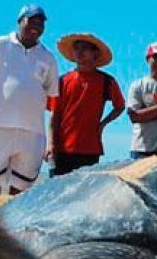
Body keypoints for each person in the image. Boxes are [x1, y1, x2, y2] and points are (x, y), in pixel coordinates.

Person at [0, 4, 58, 195]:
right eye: (32, 20)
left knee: (23, 191)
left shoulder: (48, 57)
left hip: (32, 132)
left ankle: (13, 226)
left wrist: (52, 140)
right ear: (19, 21)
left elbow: (53, 97)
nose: (36, 26)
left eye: (41, 22)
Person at [48, 33, 125, 176]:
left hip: (90, 148)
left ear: (95, 53)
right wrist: (51, 144)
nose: (79, 52)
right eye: (76, 48)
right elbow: (54, 115)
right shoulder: (62, 81)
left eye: (84, 48)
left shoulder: (106, 81)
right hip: (62, 148)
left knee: (85, 195)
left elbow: (120, 106)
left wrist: (102, 124)